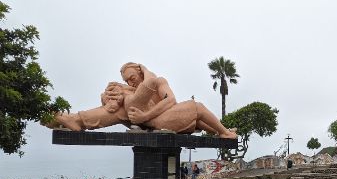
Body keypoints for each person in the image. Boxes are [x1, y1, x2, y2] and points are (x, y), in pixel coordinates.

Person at [46, 63, 237, 139]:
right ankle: (77, 120)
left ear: (140, 71)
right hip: (155, 122)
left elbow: (171, 101)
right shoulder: (132, 92)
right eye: (127, 80)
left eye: (132, 77)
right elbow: (109, 108)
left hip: (157, 119)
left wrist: (145, 115)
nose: (131, 82)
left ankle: (223, 132)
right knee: (196, 108)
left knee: (196, 109)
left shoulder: (157, 81)